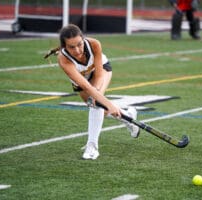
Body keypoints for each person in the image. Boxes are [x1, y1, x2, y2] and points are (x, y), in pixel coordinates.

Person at [44, 24, 140, 160]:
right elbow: (86, 86)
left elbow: (100, 74)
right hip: (82, 79)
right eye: (72, 47)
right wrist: (107, 104)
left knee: (96, 103)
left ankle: (92, 147)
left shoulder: (94, 44)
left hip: (100, 71)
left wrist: (102, 99)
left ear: (83, 39)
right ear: (64, 47)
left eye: (79, 44)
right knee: (102, 108)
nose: (77, 50)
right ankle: (128, 117)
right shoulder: (63, 59)